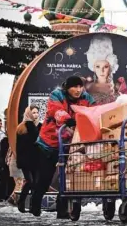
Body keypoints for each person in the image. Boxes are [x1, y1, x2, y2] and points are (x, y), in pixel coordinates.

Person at [32, 76, 95, 217]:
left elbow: (93, 111)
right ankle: (35, 203)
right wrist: (70, 120)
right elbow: (56, 111)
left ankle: (62, 210)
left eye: (80, 86)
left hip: (71, 144)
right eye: (74, 87)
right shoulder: (57, 95)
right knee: (45, 176)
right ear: (67, 87)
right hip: (49, 143)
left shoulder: (87, 98)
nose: (78, 90)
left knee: (68, 177)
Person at [85, 35, 127, 104]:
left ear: (110, 67)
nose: (102, 70)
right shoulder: (87, 87)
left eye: (105, 67)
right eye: (98, 67)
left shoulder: (119, 87)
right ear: (93, 68)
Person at [16, 105, 42, 213]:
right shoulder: (23, 127)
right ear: (28, 113)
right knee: (30, 181)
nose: (35, 114)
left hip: (37, 159)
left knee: (36, 183)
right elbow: (21, 145)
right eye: (33, 112)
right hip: (26, 160)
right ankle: (21, 201)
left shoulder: (41, 126)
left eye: (37, 112)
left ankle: (33, 206)